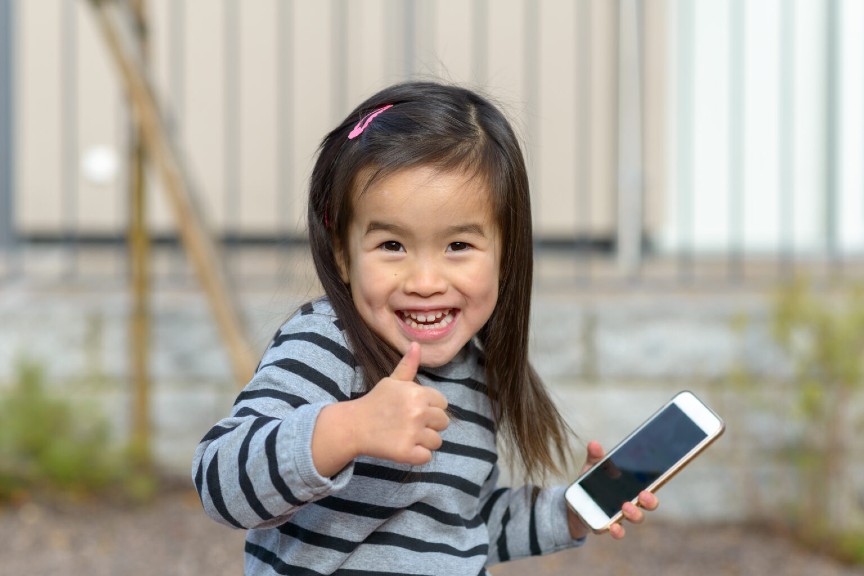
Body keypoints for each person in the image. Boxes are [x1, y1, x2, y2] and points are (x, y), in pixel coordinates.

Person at [192, 80, 658, 575]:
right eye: (392, 245)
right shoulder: (328, 344)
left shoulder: (475, 375)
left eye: (458, 246)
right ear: (341, 255)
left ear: (506, 254)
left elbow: (462, 528)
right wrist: (348, 428)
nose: (426, 281)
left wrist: (570, 511)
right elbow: (220, 479)